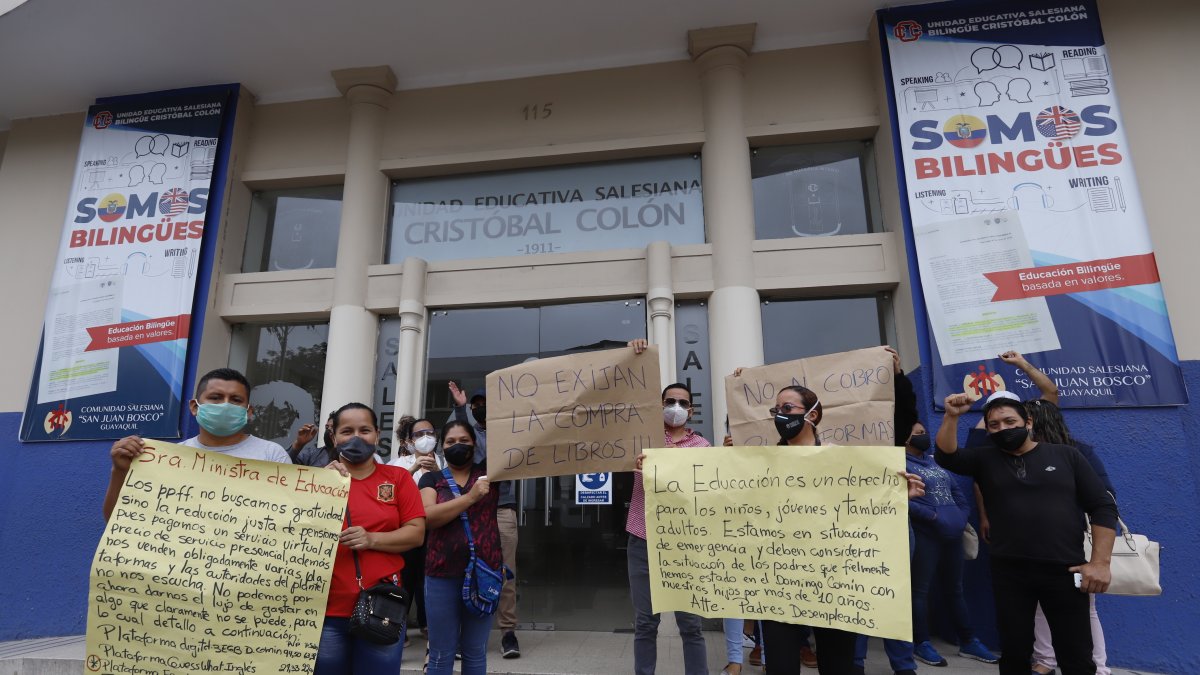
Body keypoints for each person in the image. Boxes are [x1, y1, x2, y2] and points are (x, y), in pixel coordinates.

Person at [747, 383, 925, 675]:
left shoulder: (840, 458)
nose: (780, 415)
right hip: (778, 579)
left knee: (837, 664)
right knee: (780, 666)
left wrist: (895, 495)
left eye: (787, 408)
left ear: (813, 416)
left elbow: (863, 505)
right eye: (776, 410)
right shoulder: (761, 463)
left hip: (834, 579)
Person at [935, 392, 1118, 675]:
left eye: (1010, 421)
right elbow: (947, 457)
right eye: (993, 425)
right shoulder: (984, 459)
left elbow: (1103, 505)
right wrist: (951, 416)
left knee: (1077, 655)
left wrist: (1100, 563)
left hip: (1065, 570)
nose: (1003, 429)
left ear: (1028, 421)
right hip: (1009, 571)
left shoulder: (1067, 455)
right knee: (1015, 653)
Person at [315, 402, 426, 675]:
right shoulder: (315, 482)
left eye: (364, 430)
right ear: (333, 437)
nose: (356, 437)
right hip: (323, 611)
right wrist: (320, 488)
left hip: (382, 608)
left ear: (377, 434)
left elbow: (416, 533)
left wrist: (371, 540)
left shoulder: (398, 478)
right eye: (346, 430)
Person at [103, 367, 292, 520]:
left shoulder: (272, 455)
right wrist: (119, 472)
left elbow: (291, 518)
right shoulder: (168, 459)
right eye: (215, 398)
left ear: (248, 412)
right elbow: (116, 521)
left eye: (236, 400)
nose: (225, 405)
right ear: (194, 407)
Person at [627, 338, 709, 675]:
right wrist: (636, 357)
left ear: (691, 410)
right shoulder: (639, 436)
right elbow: (617, 405)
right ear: (658, 404)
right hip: (642, 540)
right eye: (669, 401)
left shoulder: (703, 446)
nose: (675, 406)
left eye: (682, 402)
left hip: (685, 543)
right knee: (645, 623)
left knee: (691, 625)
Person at [1026, 399, 1115, 675]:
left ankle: (1098, 667)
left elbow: (1105, 495)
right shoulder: (1022, 453)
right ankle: (1045, 661)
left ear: (1040, 421)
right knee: (1039, 605)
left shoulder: (1079, 451)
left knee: (1085, 607)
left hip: (1073, 541)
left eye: (1027, 419)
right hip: (1034, 542)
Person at [904, 420, 997, 667]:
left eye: (924, 432)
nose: (924, 436)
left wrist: (960, 515)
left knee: (955, 589)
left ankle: (968, 641)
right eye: (918, 433)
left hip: (952, 534)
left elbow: (957, 492)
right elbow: (901, 500)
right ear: (905, 438)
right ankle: (921, 643)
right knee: (919, 591)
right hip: (925, 535)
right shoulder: (899, 464)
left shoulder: (934, 460)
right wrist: (933, 517)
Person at [419, 420, 502, 675]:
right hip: (441, 575)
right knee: (440, 655)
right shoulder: (431, 479)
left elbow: (519, 446)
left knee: (475, 654)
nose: (458, 446)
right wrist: (470, 497)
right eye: (451, 442)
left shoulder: (491, 473)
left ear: (475, 443)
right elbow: (428, 517)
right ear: (442, 447)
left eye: (464, 441)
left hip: (484, 575)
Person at [448, 381, 521, 659]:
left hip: (502, 509)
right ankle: (461, 635)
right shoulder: (469, 435)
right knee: (465, 570)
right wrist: (460, 407)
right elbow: (460, 436)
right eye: (476, 405)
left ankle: (508, 633)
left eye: (485, 404)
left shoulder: (510, 431)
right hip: (472, 508)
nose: (481, 409)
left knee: (505, 572)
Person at [387, 417, 444, 644]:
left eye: (429, 432)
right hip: (406, 528)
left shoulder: (446, 461)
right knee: (405, 578)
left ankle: (428, 625)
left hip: (436, 529)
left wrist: (438, 470)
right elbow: (388, 494)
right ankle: (397, 629)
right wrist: (413, 469)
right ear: (410, 440)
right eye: (419, 434)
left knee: (429, 579)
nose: (425, 438)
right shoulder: (397, 464)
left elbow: (454, 492)